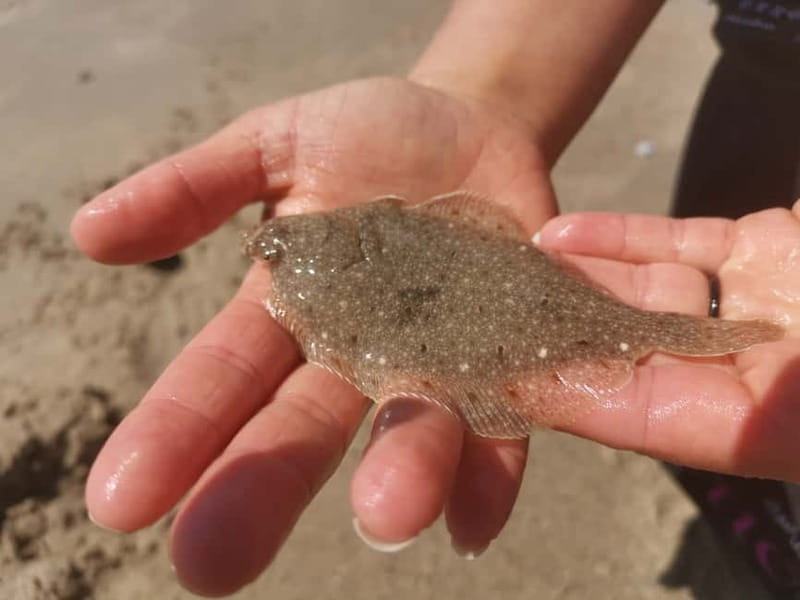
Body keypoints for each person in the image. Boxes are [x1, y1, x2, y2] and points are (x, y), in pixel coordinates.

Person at [69, 0, 800, 596]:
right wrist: (481, 93)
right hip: (753, 102)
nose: (271, 251)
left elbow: (341, 334)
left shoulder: (311, 276)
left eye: (275, 247)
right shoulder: (345, 238)